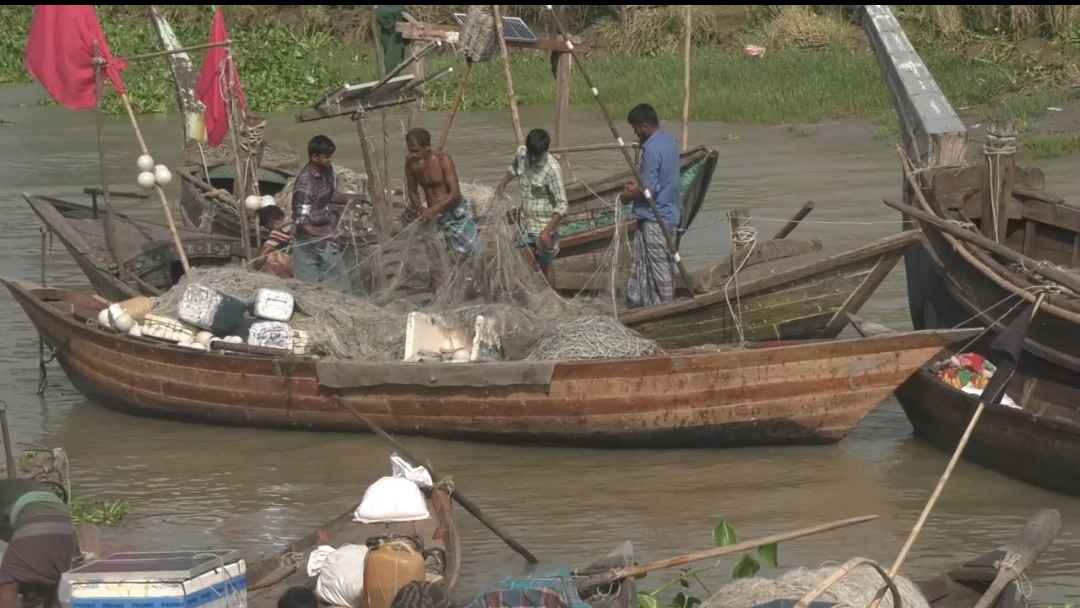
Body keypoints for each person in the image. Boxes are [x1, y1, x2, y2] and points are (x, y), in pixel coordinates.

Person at [403, 128, 479, 289]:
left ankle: (479, 284)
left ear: (426, 147)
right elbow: (412, 190)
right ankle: (441, 290)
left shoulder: (443, 160)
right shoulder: (411, 164)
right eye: (410, 151)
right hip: (432, 215)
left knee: (472, 252)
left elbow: (455, 193)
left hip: (455, 211)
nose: (413, 155)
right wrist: (420, 209)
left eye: (416, 151)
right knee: (435, 253)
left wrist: (434, 209)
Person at [622, 103, 681, 308]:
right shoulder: (670, 142)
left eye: (636, 128)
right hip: (671, 214)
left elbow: (648, 191)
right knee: (667, 261)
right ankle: (652, 302)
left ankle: (666, 308)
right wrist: (637, 186)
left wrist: (627, 196)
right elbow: (658, 181)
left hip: (656, 218)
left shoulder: (651, 149)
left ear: (644, 126)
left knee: (659, 268)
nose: (636, 133)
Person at [494, 128, 568, 285]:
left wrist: (547, 231)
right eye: (531, 153)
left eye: (537, 155)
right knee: (525, 261)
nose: (533, 158)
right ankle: (531, 295)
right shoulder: (522, 153)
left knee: (546, 265)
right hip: (525, 222)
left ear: (545, 151)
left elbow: (562, 205)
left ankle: (551, 298)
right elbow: (513, 169)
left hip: (544, 225)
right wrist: (502, 185)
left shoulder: (552, 169)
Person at [291, 135, 360, 291]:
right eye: (327, 157)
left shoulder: (327, 171)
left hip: (324, 233)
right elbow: (302, 222)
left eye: (330, 156)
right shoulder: (306, 182)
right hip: (307, 240)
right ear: (314, 157)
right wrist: (323, 234)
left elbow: (332, 195)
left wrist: (355, 199)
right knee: (308, 287)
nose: (330, 160)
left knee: (338, 282)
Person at [0, 479, 78, 608]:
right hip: (65, 525)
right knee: (53, 581)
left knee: (7, 581)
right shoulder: (14, 486)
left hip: (35, 519)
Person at [255, 205, 294, 279]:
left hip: (295, 266)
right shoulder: (293, 222)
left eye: (266, 226)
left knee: (272, 256)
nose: (268, 229)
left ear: (271, 221)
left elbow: (260, 259)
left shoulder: (279, 230)